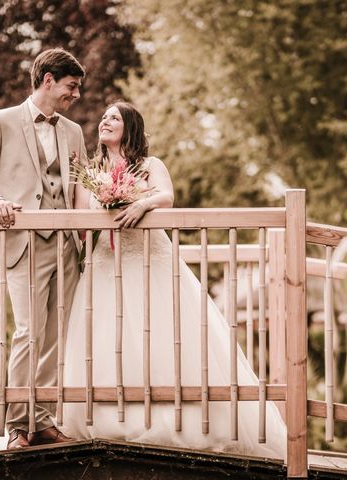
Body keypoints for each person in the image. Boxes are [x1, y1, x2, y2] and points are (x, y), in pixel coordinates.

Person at [61, 101, 287, 459]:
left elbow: (167, 195)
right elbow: (79, 217)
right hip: (106, 262)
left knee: (165, 334)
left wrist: (141, 204)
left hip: (150, 257)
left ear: (130, 126)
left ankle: (178, 420)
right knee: (108, 338)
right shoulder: (91, 171)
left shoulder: (150, 165)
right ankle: (108, 419)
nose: (105, 121)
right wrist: (103, 210)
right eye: (104, 116)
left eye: (114, 117)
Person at [0, 48, 87, 450]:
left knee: (55, 335)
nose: (76, 95)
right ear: (48, 79)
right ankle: (19, 424)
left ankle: (45, 419)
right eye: (71, 87)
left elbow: (81, 185)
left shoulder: (73, 131)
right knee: (27, 333)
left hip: (66, 245)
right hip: (23, 244)